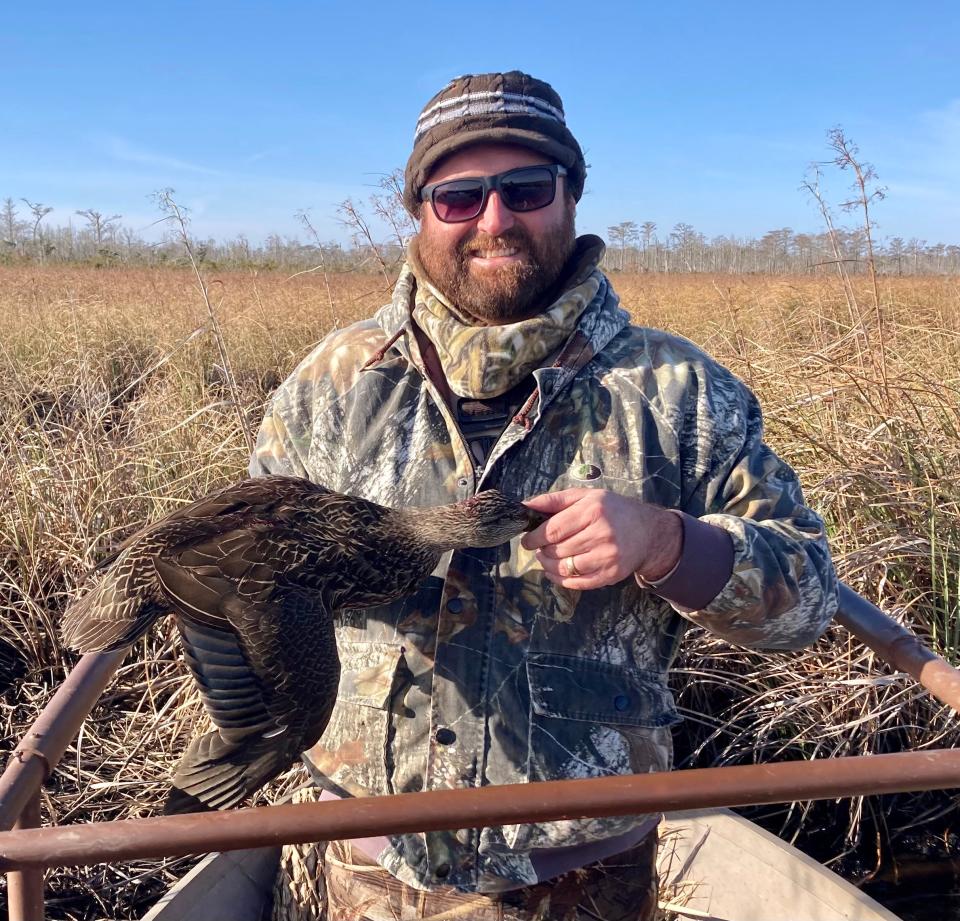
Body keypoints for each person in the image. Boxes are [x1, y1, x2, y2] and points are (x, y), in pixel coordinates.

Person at [251, 71, 838, 921]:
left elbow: (807, 601)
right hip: (372, 871)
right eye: (459, 197)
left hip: (584, 880)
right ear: (420, 209)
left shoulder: (678, 391)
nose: (495, 220)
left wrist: (668, 543)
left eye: (526, 188)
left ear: (570, 195)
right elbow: (251, 573)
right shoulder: (330, 388)